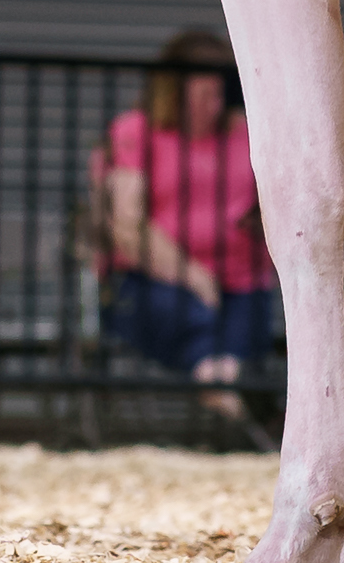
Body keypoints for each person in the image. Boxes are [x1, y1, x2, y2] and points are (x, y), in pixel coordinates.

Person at [91, 30, 277, 428]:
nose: (215, 105)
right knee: (190, 319)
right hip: (149, 281)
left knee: (247, 326)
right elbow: (125, 223)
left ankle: (225, 384)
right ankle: (226, 390)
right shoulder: (135, 132)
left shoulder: (247, 132)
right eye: (205, 94)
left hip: (242, 282)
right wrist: (191, 275)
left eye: (221, 93)